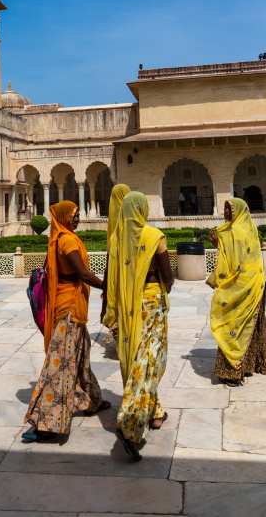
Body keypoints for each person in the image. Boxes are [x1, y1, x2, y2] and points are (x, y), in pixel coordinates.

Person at [24, 201, 110, 440]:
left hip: (71, 304)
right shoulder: (67, 240)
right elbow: (83, 273)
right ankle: (48, 423)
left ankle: (92, 400)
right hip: (69, 307)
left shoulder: (60, 237)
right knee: (60, 364)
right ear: (62, 216)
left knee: (81, 353)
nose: (77, 219)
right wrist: (109, 287)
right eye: (73, 215)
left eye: (78, 215)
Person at [103, 191, 174, 460]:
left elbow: (110, 278)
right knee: (149, 359)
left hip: (126, 306)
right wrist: (164, 286)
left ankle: (154, 412)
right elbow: (168, 276)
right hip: (152, 304)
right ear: (142, 209)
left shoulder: (114, 239)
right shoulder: (154, 236)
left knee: (136, 355)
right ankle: (130, 423)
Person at [208, 198, 266, 387]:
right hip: (257, 282)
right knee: (251, 323)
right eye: (226, 208)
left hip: (242, 286)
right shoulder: (251, 228)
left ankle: (231, 372)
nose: (226, 211)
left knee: (233, 326)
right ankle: (252, 365)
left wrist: (218, 244)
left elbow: (233, 263)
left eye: (230, 209)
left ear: (239, 211)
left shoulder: (232, 231)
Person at [101, 184, 130, 326]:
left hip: (115, 279)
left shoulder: (112, 235)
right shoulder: (131, 218)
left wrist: (105, 289)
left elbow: (108, 263)